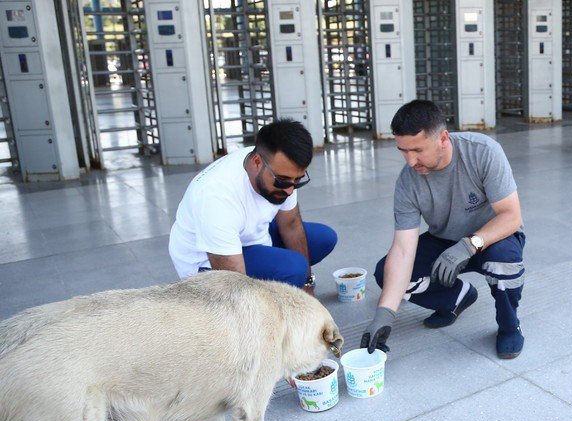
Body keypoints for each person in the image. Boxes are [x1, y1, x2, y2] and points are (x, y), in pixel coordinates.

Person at [360, 100, 526, 359]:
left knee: (504, 262)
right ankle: (456, 298)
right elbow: (403, 250)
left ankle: (509, 325)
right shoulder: (408, 182)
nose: (411, 160)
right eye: (403, 151)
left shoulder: (483, 152)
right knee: (387, 274)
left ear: (443, 138)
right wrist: (385, 314)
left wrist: (470, 245)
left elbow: (511, 216)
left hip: (493, 236)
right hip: (444, 239)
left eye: (417, 150)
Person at [168, 119, 337, 292]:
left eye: (298, 181)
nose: (289, 191)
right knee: (294, 268)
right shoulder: (217, 196)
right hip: (207, 261)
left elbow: (291, 225)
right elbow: (232, 285)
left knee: (324, 238)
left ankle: (277, 282)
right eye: (282, 181)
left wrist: (306, 285)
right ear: (256, 162)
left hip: (248, 236)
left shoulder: (279, 168)